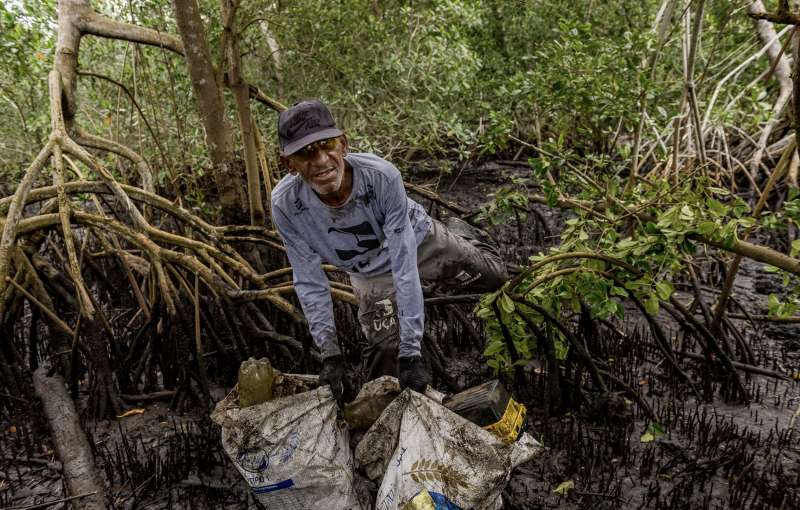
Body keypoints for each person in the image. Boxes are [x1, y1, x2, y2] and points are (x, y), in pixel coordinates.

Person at [271, 99, 507, 405]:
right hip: (369, 271)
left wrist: (412, 351)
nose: (319, 160)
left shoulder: (382, 177)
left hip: (420, 241)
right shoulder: (286, 205)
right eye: (304, 153)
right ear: (289, 164)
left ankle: (461, 230)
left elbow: (404, 263)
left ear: (343, 145)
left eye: (326, 144)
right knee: (385, 357)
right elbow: (309, 281)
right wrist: (330, 355)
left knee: (495, 277)